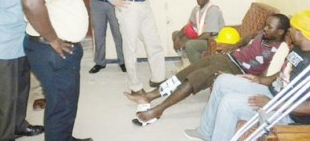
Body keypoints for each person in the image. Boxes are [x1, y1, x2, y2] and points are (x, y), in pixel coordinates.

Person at [184, 10, 310, 141]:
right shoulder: (299, 48)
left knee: (229, 103)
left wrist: (272, 103)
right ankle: (205, 132)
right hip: (274, 93)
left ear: (300, 32)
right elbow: (282, 74)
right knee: (222, 81)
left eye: (292, 28)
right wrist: (260, 80)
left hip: (288, 113)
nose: (289, 31)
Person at [124, 14, 290, 126]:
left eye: (270, 27)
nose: (265, 28)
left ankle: (159, 110)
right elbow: (248, 37)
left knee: (197, 77)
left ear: (281, 31)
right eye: (266, 25)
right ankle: (150, 96)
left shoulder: (281, 49)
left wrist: (251, 80)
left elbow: (269, 75)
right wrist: (234, 46)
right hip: (229, 58)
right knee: (190, 70)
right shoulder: (263, 33)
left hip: (238, 70)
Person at [20, 0, 92, 141]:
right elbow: (32, 3)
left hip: (59, 49)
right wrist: (53, 39)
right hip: (52, 49)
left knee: (66, 102)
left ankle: (65, 137)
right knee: (61, 105)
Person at [0, 0, 44, 140]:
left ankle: (18, 125)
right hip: (2, 45)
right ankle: (4, 135)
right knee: (5, 98)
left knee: (21, 89)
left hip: (19, 41)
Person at [172, 0, 225, 64]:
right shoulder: (196, 9)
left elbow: (207, 35)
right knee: (176, 34)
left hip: (212, 41)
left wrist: (185, 43)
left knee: (189, 44)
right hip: (201, 37)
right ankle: (187, 57)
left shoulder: (213, 10)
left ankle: (197, 67)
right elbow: (188, 25)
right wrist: (177, 37)